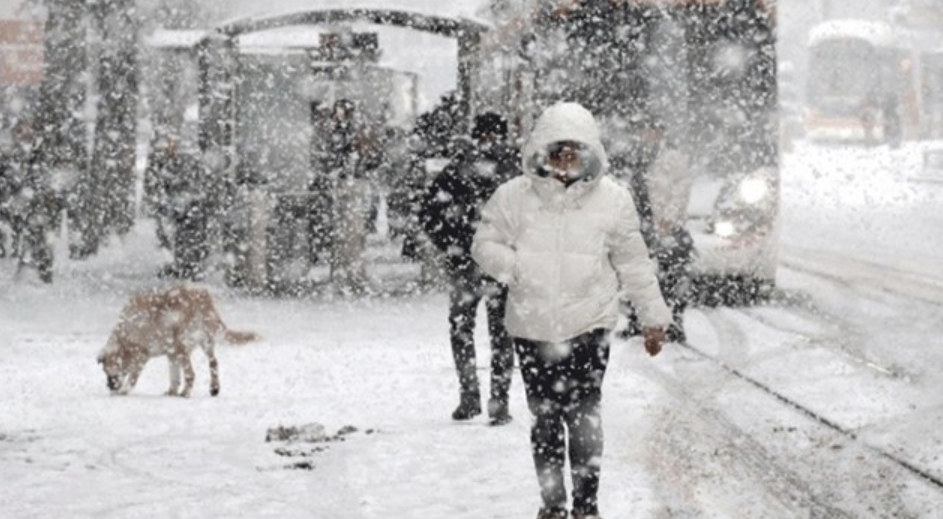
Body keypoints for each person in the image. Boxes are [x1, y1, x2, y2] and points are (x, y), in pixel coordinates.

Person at [472, 102, 671, 519]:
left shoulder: (613, 200)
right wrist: (515, 268)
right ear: (542, 153)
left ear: (590, 154)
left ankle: (586, 505)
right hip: (532, 326)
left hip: (589, 326)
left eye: (574, 153)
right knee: (545, 420)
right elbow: (484, 244)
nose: (565, 163)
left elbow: (634, 262)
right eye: (557, 153)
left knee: (583, 417)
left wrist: (653, 317)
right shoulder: (513, 197)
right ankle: (553, 505)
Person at [419, 112, 521, 425]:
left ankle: (470, 396)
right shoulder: (514, 172)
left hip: (466, 262)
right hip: (499, 264)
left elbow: (429, 213)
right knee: (501, 334)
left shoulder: (458, 169)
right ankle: (498, 401)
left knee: (463, 330)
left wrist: (450, 243)